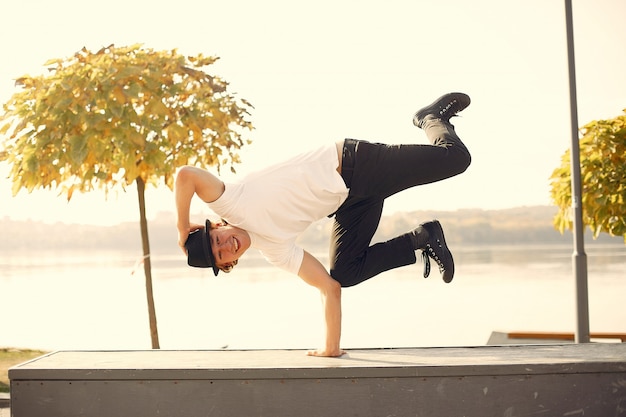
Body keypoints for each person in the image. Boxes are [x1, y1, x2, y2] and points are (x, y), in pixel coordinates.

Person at [175, 92, 472, 357]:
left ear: (215, 226)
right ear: (232, 262)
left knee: (456, 159)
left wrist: (181, 229)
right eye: (222, 255)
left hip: (356, 164)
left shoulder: (230, 201)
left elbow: (186, 175)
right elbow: (329, 289)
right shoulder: (274, 250)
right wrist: (331, 347)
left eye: (217, 240)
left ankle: (429, 118)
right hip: (351, 204)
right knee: (344, 273)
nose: (226, 246)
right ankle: (423, 237)